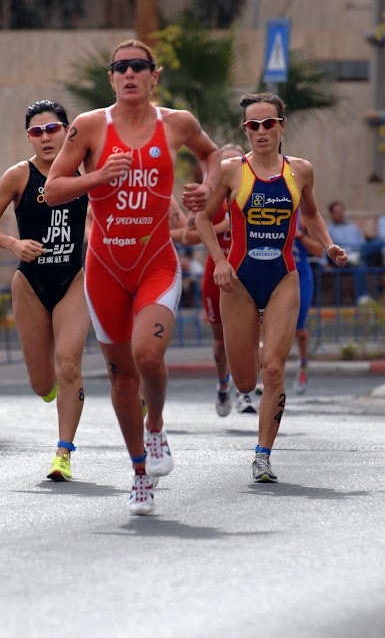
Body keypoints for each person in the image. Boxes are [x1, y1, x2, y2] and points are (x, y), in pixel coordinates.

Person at [44, 39, 220, 514]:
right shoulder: (89, 126)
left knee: (147, 354)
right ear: (111, 77)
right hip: (105, 268)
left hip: (155, 262)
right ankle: (140, 474)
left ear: (153, 75)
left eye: (138, 66)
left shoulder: (177, 123)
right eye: (120, 67)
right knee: (122, 379)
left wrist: (206, 190)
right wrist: (97, 178)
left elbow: (211, 156)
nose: (129, 73)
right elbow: (53, 189)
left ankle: (156, 425)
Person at [196, 91, 347, 484]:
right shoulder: (232, 171)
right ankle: (244, 377)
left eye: (268, 123)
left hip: (283, 276)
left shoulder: (301, 171)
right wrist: (220, 261)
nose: (261, 131)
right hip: (239, 282)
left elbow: (311, 214)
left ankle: (262, 455)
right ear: (245, 130)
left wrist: (329, 244)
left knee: (274, 369)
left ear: (282, 126)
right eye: (253, 125)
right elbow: (202, 220)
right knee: (247, 381)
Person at [0, 100, 91, 483]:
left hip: (73, 280)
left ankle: (63, 453)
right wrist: (14, 244)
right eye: (36, 132)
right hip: (30, 285)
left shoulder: (83, 170)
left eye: (52, 129)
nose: (45, 137)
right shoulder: (18, 175)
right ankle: (55, 387)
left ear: (67, 131)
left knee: (69, 365)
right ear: (29, 138)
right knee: (43, 384)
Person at [183, 143, 257, 416]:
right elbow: (188, 236)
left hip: (247, 273)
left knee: (250, 336)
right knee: (221, 339)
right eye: (224, 163)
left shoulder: (253, 193)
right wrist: (224, 226)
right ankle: (223, 383)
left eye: (236, 162)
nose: (230, 168)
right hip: (216, 275)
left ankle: (245, 392)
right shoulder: (207, 197)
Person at [292, 214, 323, 394]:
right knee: (268, 326)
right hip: (277, 274)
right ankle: (267, 372)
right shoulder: (269, 213)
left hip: (300, 276)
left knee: (299, 329)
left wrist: (300, 236)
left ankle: (303, 365)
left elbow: (319, 251)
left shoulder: (302, 219)